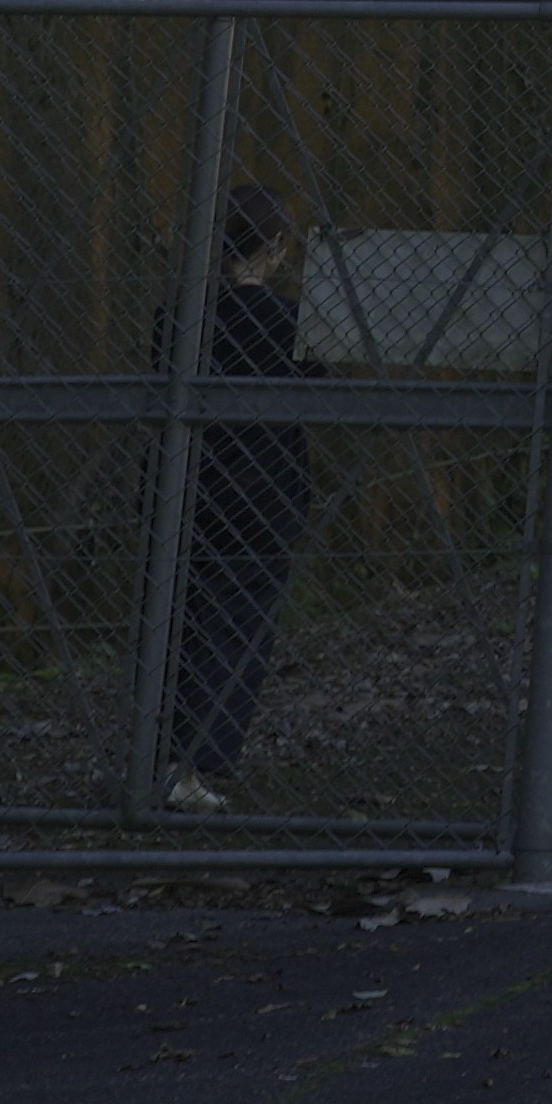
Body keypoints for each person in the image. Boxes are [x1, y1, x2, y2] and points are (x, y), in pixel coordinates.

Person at [159, 182, 322, 811]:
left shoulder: (180, 317)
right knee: (238, 627)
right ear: (276, 246)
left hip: (185, 486)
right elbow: (318, 383)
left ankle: (163, 754)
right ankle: (192, 763)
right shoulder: (290, 323)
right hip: (262, 493)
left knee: (176, 617)